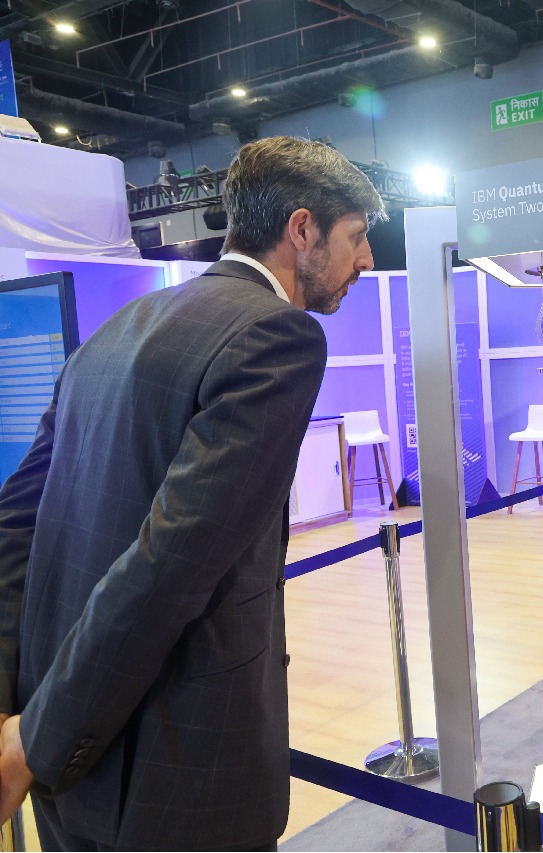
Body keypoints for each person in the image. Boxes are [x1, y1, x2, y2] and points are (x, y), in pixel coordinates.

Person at [0, 136, 384, 850]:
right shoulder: (277, 335)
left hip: (67, 765)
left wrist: (14, 718)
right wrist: (35, 742)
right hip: (175, 777)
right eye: (356, 236)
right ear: (301, 230)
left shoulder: (114, 330)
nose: (365, 260)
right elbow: (168, 566)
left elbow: (15, 527)